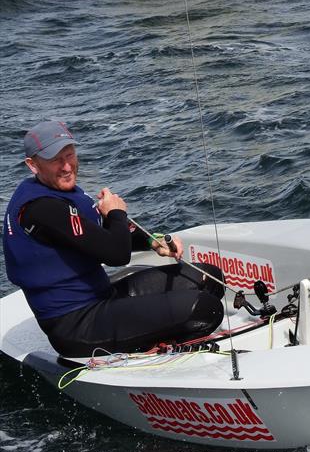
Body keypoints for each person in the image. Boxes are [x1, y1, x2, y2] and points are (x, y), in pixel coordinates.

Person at [3, 120, 224, 358]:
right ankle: (161, 355)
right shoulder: (41, 208)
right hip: (77, 325)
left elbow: (98, 232)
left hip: (102, 297)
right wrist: (117, 212)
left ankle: (156, 334)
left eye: (70, 155)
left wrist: (153, 241)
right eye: (56, 160)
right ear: (33, 165)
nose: (67, 166)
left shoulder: (58, 191)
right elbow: (116, 255)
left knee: (210, 278)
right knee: (205, 309)